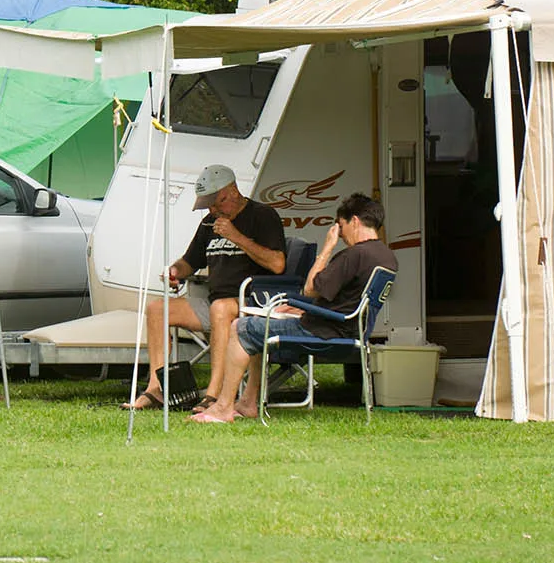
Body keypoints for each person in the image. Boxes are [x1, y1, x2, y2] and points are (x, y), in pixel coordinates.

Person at [191, 191, 398, 423]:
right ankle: (248, 403)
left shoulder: (353, 255)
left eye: (340, 226)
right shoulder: (386, 257)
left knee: (241, 328)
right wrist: (304, 309)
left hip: (324, 332)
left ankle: (223, 407)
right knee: (260, 326)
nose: (340, 235)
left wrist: (327, 249)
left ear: (355, 222)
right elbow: (348, 302)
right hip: (349, 328)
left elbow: (310, 288)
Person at [125, 164, 287, 411]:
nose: (213, 210)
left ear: (233, 191)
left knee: (220, 309)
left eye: (217, 203)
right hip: (213, 301)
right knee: (158, 309)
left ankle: (214, 395)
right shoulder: (209, 223)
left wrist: (237, 237)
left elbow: (277, 264)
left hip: (249, 302)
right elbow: (190, 261)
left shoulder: (263, 215)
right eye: (208, 205)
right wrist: (175, 271)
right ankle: (155, 388)